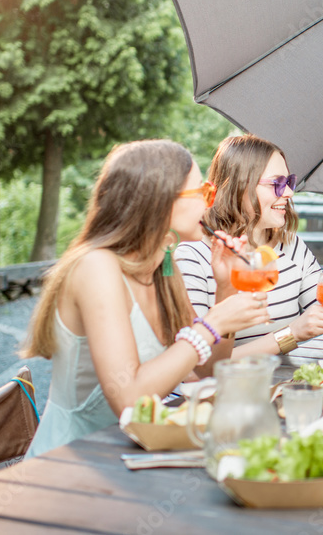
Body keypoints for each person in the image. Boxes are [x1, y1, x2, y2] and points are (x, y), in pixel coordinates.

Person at [22, 140, 270, 457]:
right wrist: (213, 323)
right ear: (159, 202)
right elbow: (128, 400)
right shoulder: (96, 267)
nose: (211, 204)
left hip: (133, 452)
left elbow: (210, 369)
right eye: (202, 193)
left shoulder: (163, 264)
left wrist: (226, 289)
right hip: (71, 461)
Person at [176, 134, 323, 360]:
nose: (288, 192)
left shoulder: (292, 247)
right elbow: (197, 363)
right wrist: (290, 335)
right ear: (239, 186)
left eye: (288, 182)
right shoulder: (193, 256)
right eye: (276, 184)